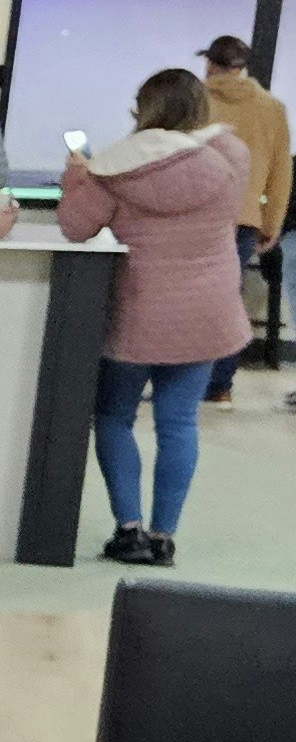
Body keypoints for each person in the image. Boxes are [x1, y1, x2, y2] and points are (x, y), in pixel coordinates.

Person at [57, 69, 254, 563]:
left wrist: (77, 178)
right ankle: (165, 537)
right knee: (179, 422)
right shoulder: (231, 157)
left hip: (139, 311)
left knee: (115, 416)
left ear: (143, 109)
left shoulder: (115, 170)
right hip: (207, 311)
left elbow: (76, 228)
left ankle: (129, 530)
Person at [195, 36, 288, 405]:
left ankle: (181, 380)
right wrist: (272, 221)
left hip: (196, 213)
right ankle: (220, 384)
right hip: (244, 218)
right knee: (227, 298)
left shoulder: (195, 100)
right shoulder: (272, 107)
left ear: (210, 64)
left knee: (188, 297)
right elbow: (281, 172)